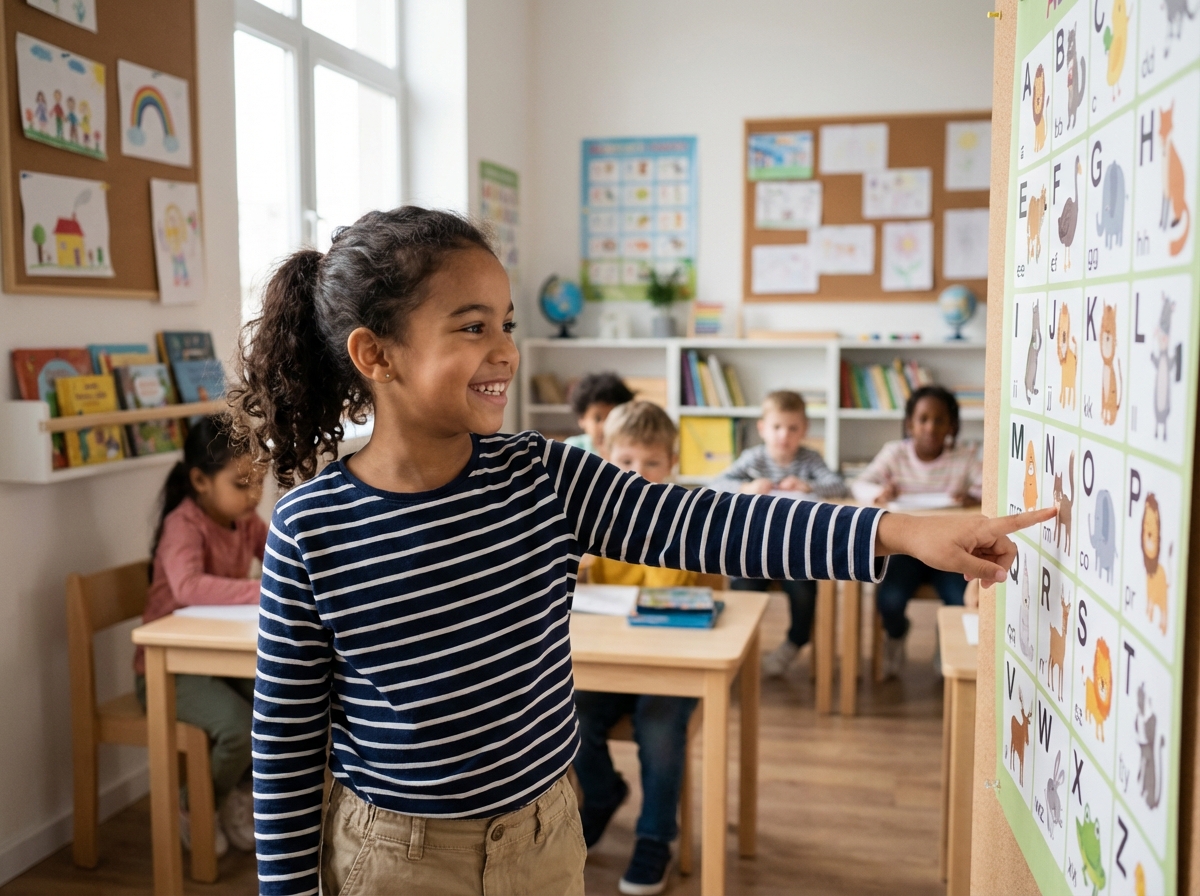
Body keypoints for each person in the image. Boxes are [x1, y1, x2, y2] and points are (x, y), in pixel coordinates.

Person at [232, 205, 1050, 896]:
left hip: (547, 835)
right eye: (472, 327)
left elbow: (709, 523)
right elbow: (287, 742)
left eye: (507, 325)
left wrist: (901, 531)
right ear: (374, 355)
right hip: (395, 860)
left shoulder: (540, 475)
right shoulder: (312, 527)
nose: (506, 351)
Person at [573, 401, 698, 895]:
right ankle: (602, 796)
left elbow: (663, 588)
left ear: (671, 465)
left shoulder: (683, 517)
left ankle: (655, 836)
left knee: (662, 728)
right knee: (570, 715)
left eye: (652, 465)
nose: (638, 476)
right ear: (606, 456)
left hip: (671, 663)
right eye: (626, 463)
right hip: (609, 662)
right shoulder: (592, 515)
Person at [136, 415, 266, 857]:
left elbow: (283, 556)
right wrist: (261, 589)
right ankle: (196, 807)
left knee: (276, 707)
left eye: (258, 482)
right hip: (166, 669)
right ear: (200, 480)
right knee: (237, 728)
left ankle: (236, 795)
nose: (254, 495)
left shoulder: (245, 520)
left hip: (216, 659)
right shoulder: (184, 524)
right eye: (241, 483)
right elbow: (188, 586)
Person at [711, 390, 846, 678]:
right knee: (743, 591)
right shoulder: (754, 458)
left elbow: (838, 485)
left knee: (803, 591)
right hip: (753, 549)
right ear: (762, 428)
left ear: (804, 430)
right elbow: (716, 483)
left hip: (796, 550)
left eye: (793, 428)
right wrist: (747, 487)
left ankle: (796, 640)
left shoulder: (809, 459)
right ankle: (739, 649)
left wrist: (807, 486)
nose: (784, 435)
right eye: (776, 427)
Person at [851, 385, 984, 677]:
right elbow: (859, 484)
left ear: (952, 426)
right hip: (905, 549)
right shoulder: (894, 454)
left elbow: (989, 485)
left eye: (940, 420)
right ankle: (896, 636)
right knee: (890, 600)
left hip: (949, 549)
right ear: (910, 423)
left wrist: (974, 496)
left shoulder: (963, 457)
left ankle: (945, 646)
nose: (930, 427)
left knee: (958, 599)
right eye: (923, 419)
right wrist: (880, 492)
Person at [565, 371, 635, 454]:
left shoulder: (629, 450)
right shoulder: (572, 447)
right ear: (582, 419)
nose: (605, 426)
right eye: (597, 419)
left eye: (612, 418)